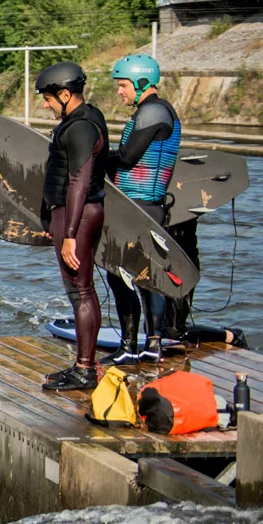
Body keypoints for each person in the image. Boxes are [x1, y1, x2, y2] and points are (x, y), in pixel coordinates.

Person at [102, 54, 185, 365]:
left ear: (141, 83)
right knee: (147, 278)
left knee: (120, 275)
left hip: (140, 207)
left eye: (123, 85)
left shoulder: (152, 111)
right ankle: (153, 344)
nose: (119, 91)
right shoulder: (159, 110)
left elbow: (126, 157)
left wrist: (95, 156)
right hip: (147, 206)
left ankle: (129, 346)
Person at [37, 63, 108, 392]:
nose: (45, 105)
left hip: (78, 217)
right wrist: (48, 218)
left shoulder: (80, 127)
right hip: (69, 216)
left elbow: (78, 183)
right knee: (79, 290)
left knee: (82, 291)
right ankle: (83, 364)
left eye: (48, 98)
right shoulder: (81, 119)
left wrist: (69, 236)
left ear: (65, 95)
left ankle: (85, 370)